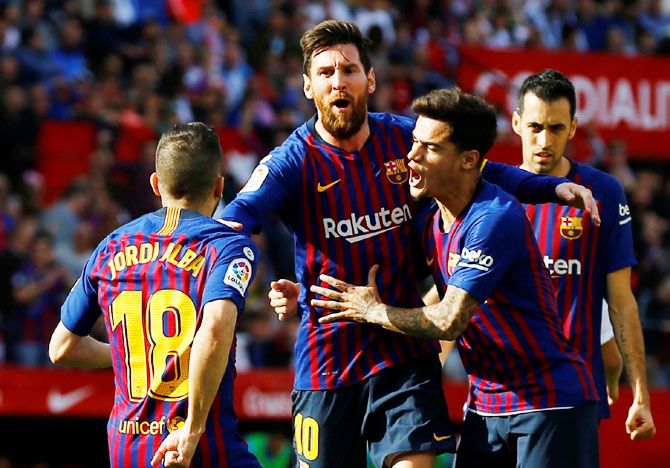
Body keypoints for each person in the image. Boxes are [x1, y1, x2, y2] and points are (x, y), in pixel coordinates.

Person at [225, 20, 600, 468]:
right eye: (325, 73)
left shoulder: (404, 139)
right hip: (327, 362)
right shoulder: (291, 162)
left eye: (348, 70)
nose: (337, 81)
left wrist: (548, 188)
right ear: (308, 86)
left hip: (403, 358)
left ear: (371, 79)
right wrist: (250, 289)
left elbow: (476, 167)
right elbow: (232, 224)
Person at [313, 88, 600, 467]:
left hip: (549, 403)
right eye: (414, 143)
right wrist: (303, 288)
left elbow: (449, 320)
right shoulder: (429, 220)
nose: (411, 156)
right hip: (484, 407)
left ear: (468, 161)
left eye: (429, 148)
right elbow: (381, 268)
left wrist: (374, 311)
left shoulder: (494, 218)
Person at [48, 122, 261, 468]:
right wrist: (192, 429)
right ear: (220, 187)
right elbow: (217, 327)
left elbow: (61, 348)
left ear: (155, 184)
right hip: (201, 449)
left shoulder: (110, 247)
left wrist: (137, 356)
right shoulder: (226, 247)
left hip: (126, 450)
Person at [512, 69, 655, 438]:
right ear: (515, 123)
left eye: (557, 128)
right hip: (497, 393)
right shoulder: (492, 194)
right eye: (534, 126)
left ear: (573, 128)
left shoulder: (603, 192)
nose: (544, 139)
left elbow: (621, 301)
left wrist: (640, 393)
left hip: (570, 393)